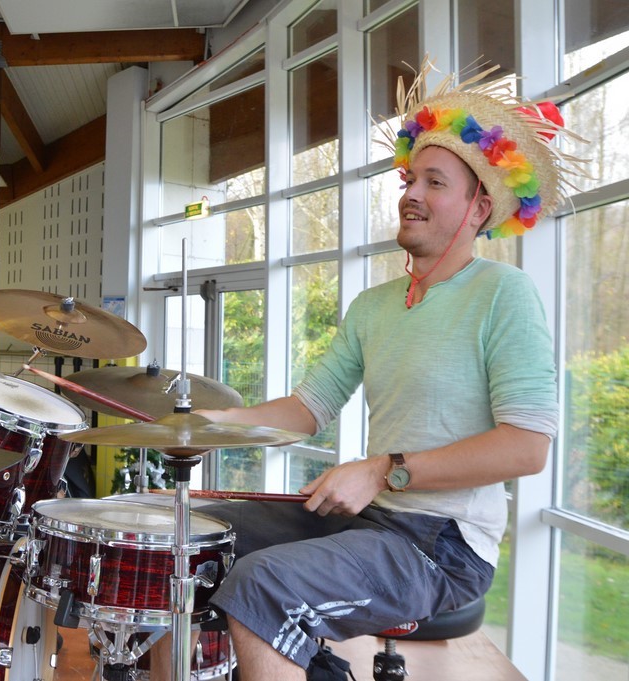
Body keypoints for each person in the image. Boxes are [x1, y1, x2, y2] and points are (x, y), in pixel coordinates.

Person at [149, 60, 588, 681]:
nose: (410, 193)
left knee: (265, 583)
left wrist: (386, 468)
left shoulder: (503, 294)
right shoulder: (374, 306)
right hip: (374, 520)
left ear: (479, 205)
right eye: (410, 178)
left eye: (435, 183)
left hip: (443, 544)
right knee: (180, 531)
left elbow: (526, 448)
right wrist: (204, 422)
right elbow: (306, 409)